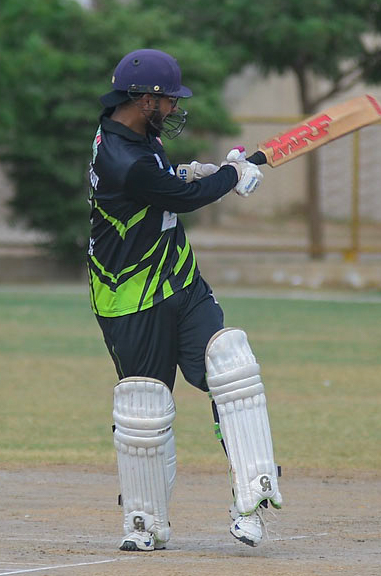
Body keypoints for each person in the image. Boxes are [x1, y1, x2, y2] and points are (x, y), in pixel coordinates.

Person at [87, 49, 282, 551]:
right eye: (169, 100)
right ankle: (145, 523)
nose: (174, 108)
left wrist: (190, 171)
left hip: (181, 281)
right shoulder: (121, 157)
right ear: (144, 99)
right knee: (145, 406)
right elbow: (181, 199)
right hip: (130, 298)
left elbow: (166, 187)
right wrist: (230, 176)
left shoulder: (138, 137)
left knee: (230, 367)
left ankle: (253, 498)